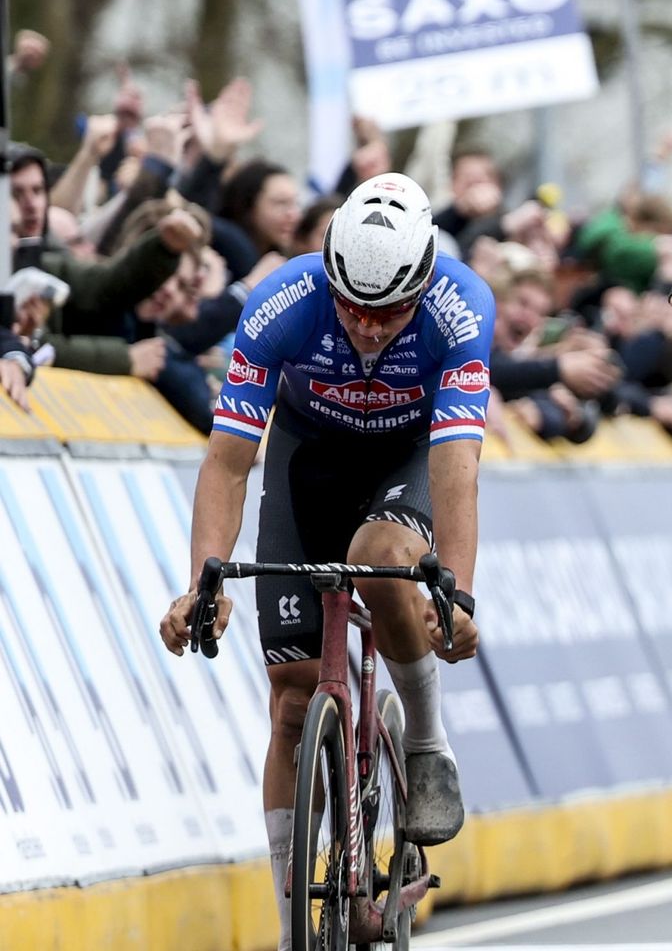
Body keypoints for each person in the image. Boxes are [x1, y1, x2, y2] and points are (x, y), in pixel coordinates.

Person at [155, 172, 491, 950]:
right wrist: (205, 579)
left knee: (379, 561)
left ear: (425, 282)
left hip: (411, 456)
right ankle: (289, 930)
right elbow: (230, 461)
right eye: (353, 309)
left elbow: (456, 468)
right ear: (329, 274)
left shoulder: (460, 307)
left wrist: (459, 595)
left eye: (389, 313)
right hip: (309, 460)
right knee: (292, 703)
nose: (369, 330)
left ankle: (426, 740)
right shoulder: (281, 302)